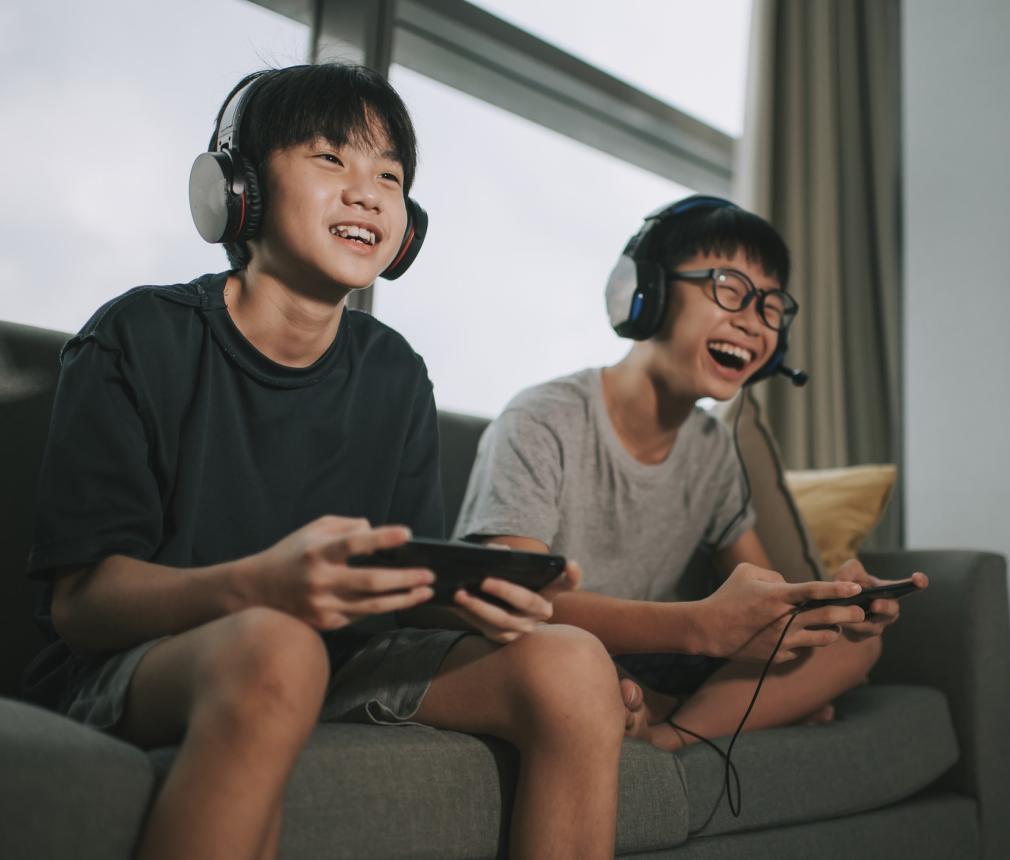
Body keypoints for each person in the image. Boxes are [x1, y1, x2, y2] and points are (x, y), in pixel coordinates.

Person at [23, 64, 626, 860]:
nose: (368, 193)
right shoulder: (137, 336)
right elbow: (83, 605)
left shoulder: (396, 373)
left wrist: (467, 594)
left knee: (573, 666)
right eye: (331, 159)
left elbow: (397, 593)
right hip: (151, 661)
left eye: (390, 175)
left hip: (339, 659)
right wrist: (265, 586)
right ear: (239, 189)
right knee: (278, 644)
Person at [455, 195, 927, 750]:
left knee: (857, 647)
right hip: (559, 651)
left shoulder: (713, 451)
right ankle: (683, 713)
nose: (752, 322)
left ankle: (669, 733)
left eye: (770, 306)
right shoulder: (543, 418)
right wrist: (699, 626)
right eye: (729, 288)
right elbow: (519, 600)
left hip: (667, 664)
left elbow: (761, 603)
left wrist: (827, 603)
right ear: (645, 293)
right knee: (573, 667)